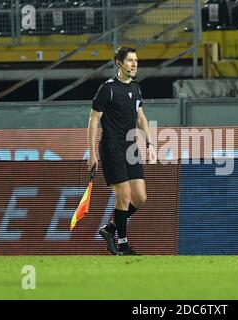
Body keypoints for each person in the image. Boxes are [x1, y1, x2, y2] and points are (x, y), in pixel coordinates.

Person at [87, 47, 157, 256]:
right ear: (118, 63)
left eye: (136, 60)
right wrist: (92, 153)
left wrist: (150, 143)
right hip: (111, 146)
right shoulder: (107, 89)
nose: (134, 64)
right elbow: (93, 120)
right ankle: (123, 244)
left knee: (140, 198)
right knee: (124, 196)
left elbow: (141, 116)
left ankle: (109, 229)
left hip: (131, 146)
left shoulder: (136, 87)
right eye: (130, 61)